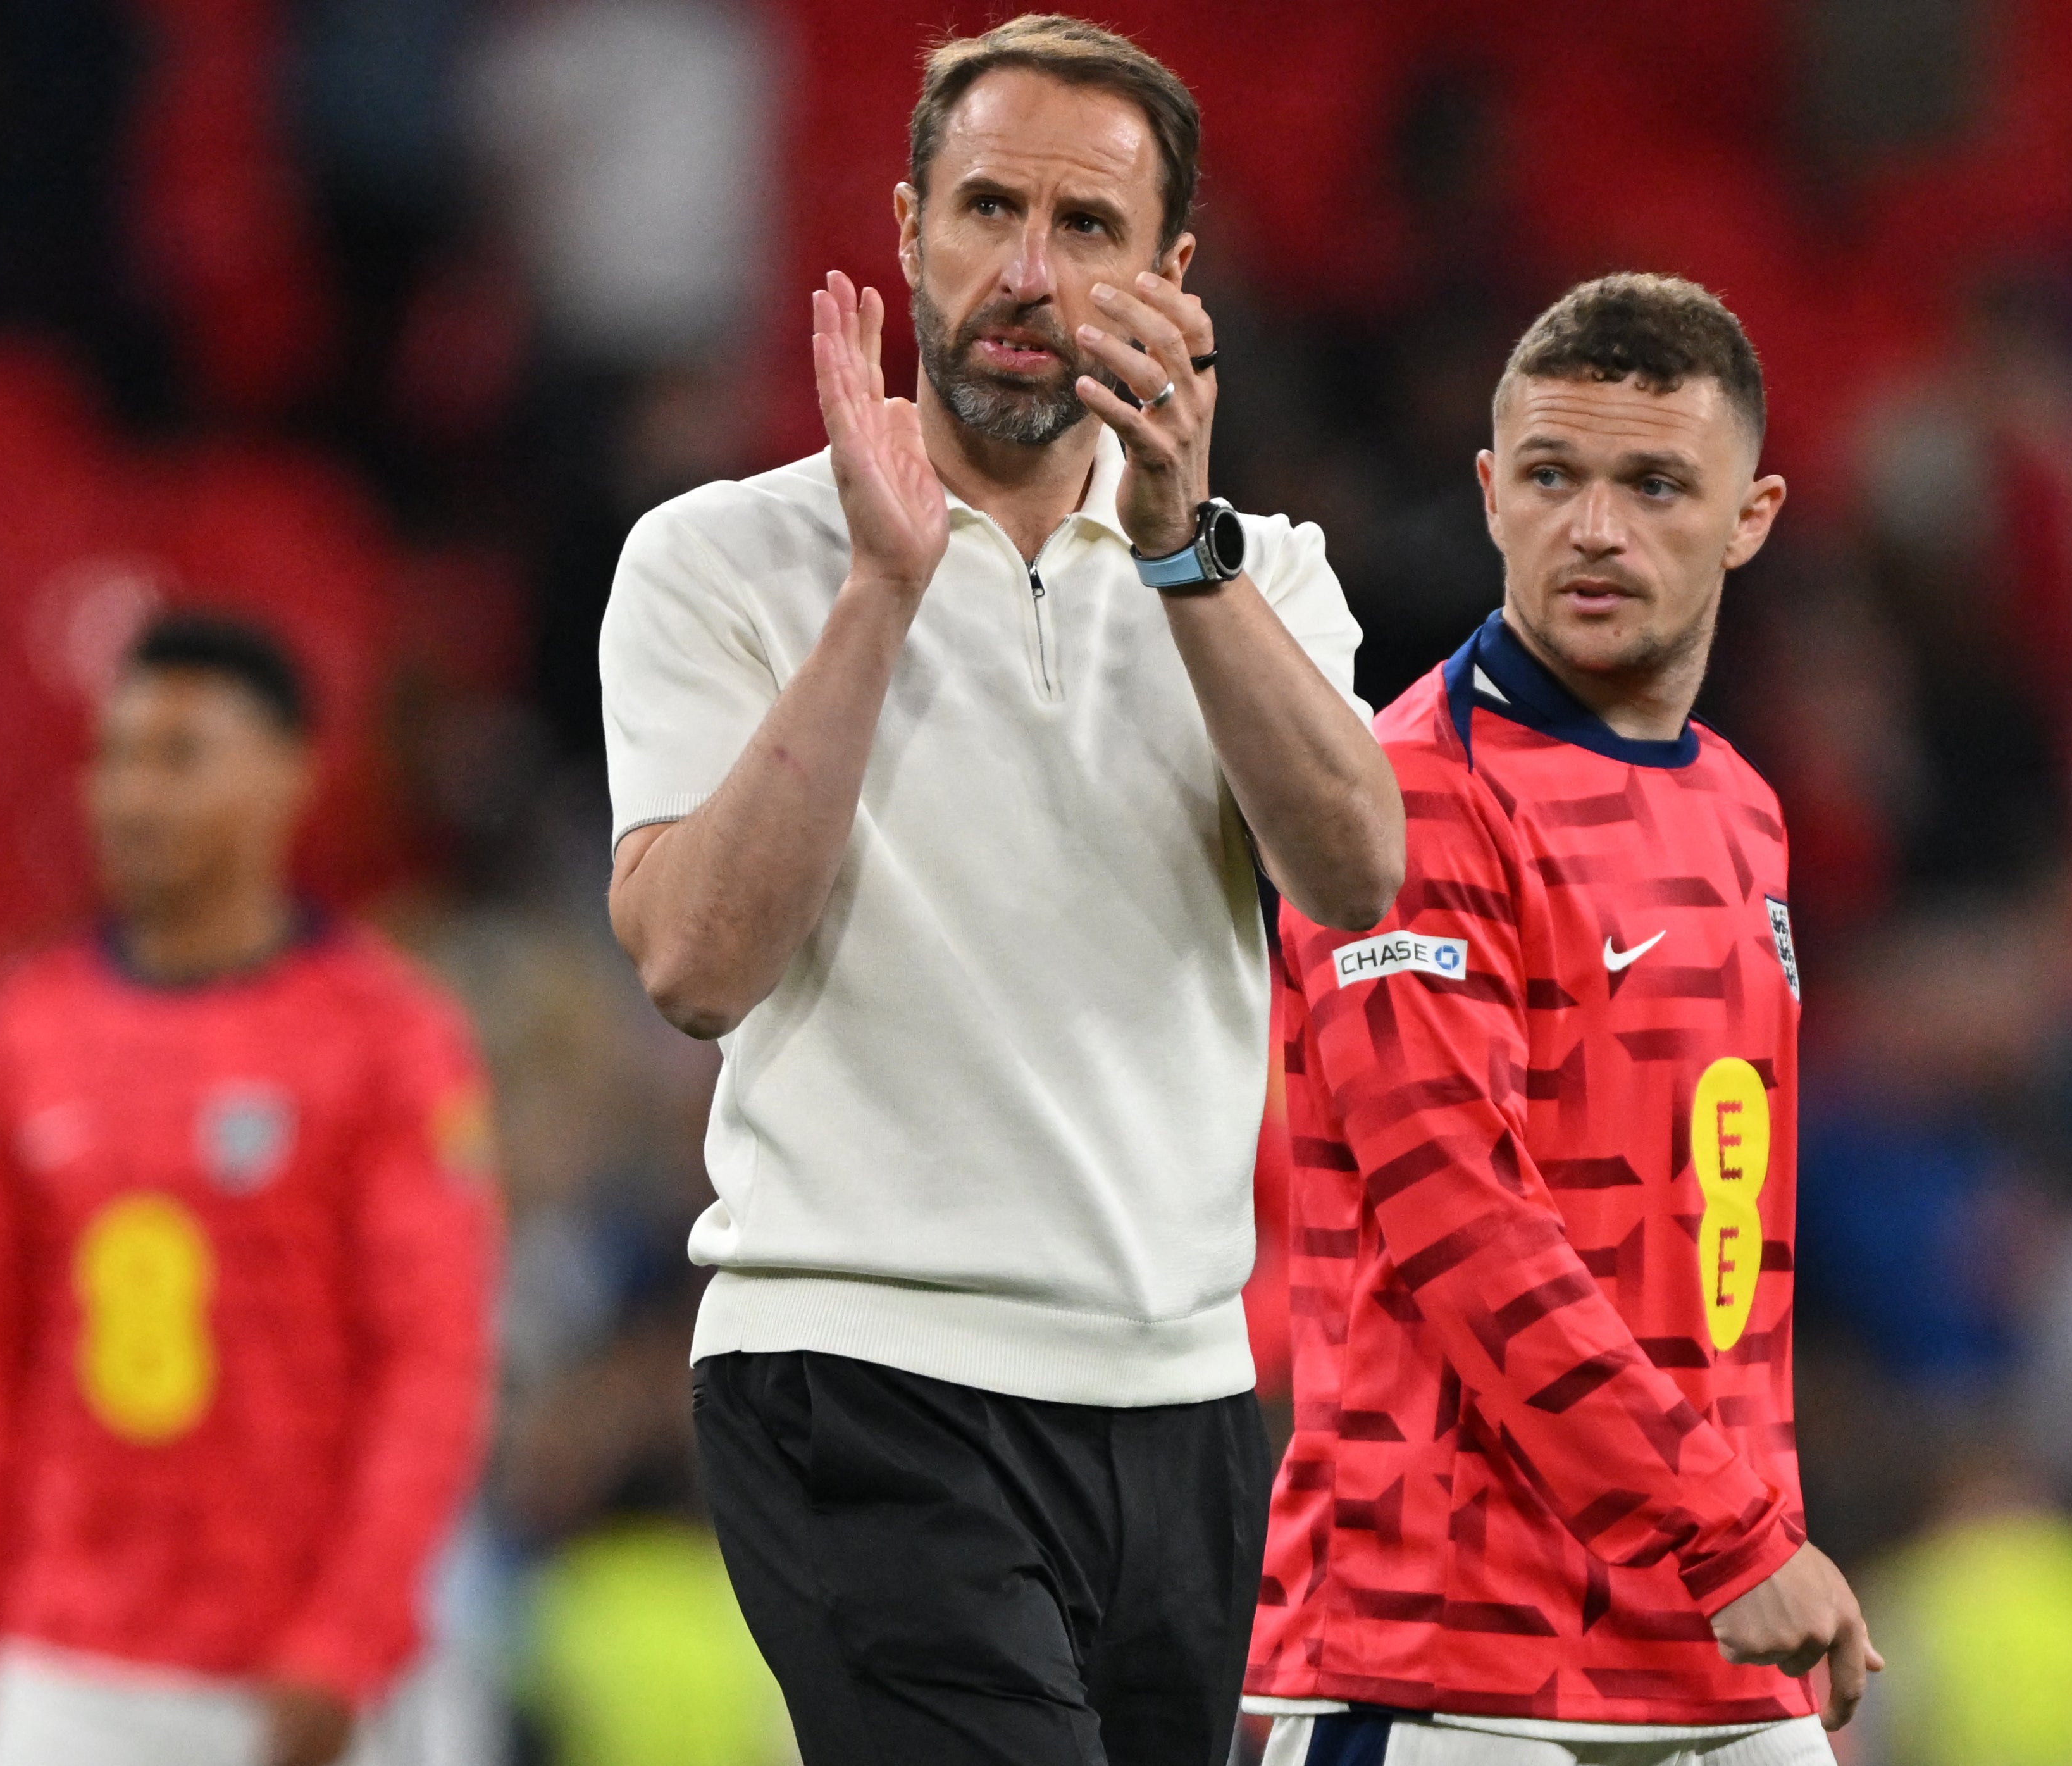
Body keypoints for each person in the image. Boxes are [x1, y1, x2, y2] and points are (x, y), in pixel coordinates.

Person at [599, 15, 1405, 1764]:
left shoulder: (1264, 575)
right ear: (904, 230)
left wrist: (1186, 549)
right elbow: (690, 963)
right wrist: (881, 593)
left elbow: (1352, 877)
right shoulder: (719, 561)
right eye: (985, 210)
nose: (1026, 272)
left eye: (1089, 228)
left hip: (1184, 1399)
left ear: (1172, 276)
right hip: (860, 1372)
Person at [1241, 275, 1882, 1765]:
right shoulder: (1404, 798)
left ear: (1753, 514)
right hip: (1448, 1660)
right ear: (1489, 493)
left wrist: (1750, 1535)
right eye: (1551, 477)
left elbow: (1718, 1244)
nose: (1595, 527)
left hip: (1717, 1653)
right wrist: (1731, 1536)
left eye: (1655, 484)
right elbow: (1464, 1223)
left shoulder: (1743, 808)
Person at [0, 613, 502, 1766]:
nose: (131, 794)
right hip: (64, 1663)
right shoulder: (30, 1029)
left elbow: (432, 1365)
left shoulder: (390, 1040)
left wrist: (347, 1634)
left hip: (295, 1679)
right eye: (114, 755)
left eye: (179, 755)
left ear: (291, 774)